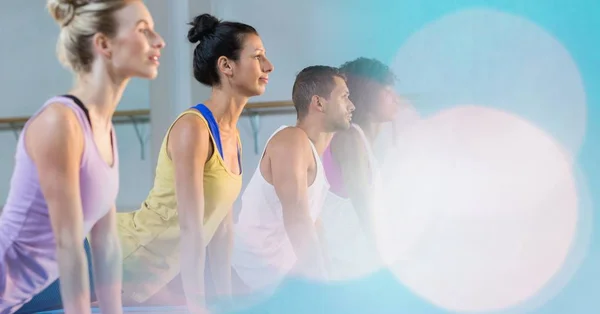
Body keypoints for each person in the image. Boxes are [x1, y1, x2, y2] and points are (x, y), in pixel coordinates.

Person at [0, 0, 165, 313]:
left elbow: (105, 245)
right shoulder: (60, 122)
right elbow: (69, 245)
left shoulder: (103, 128)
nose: (159, 40)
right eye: (143, 30)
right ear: (103, 43)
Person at [117, 13, 273, 313]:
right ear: (226, 65)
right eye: (257, 57)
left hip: (143, 276)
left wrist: (226, 301)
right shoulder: (194, 128)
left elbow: (221, 230)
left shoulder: (232, 136)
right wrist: (197, 306)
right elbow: (191, 229)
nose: (269, 66)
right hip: (116, 255)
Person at [231, 65, 355, 297]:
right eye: (345, 96)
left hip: (271, 284)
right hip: (241, 281)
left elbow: (313, 225)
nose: (352, 105)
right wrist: (324, 293)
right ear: (319, 103)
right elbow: (298, 222)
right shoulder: (291, 140)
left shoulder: (311, 154)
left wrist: (331, 280)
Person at [319, 57, 399, 280]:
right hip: (346, 265)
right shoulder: (350, 138)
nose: (395, 98)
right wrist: (384, 260)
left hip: (355, 263)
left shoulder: (360, 140)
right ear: (367, 94)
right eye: (386, 90)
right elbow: (363, 205)